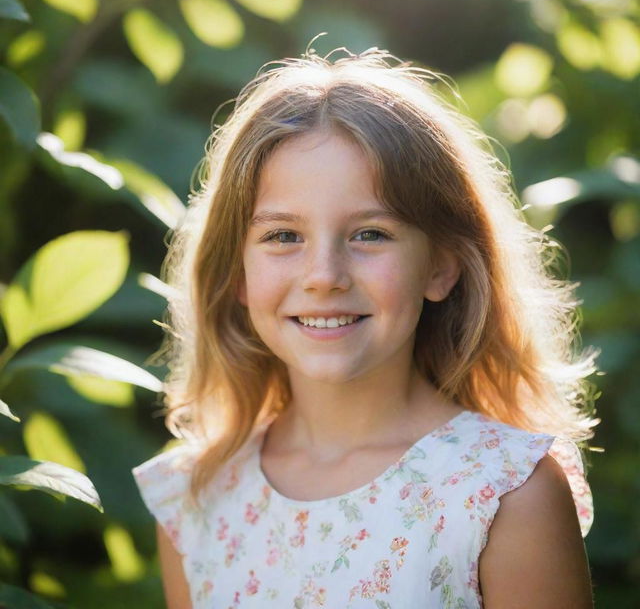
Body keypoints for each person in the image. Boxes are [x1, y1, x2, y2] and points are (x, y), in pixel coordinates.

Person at [132, 47, 598, 608]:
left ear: (441, 266)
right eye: (283, 236)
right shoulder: (195, 499)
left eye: (370, 234)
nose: (324, 276)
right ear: (238, 274)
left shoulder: (505, 492)